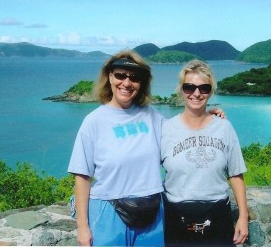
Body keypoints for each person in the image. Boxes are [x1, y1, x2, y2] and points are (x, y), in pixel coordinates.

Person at [67, 50, 165, 246]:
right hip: (108, 211)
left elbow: (179, 136)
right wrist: (82, 226)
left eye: (134, 78)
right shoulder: (94, 121)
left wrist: (204, 117)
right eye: (120, 75)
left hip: (152, 209)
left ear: (141, 83)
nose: (127, 83)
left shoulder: (152, 116)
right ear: (109, 77)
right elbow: (82, 175)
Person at [161, 59, 249, 246]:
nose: (196, 93)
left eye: (204, 88)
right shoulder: (165, 129)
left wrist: (243, 216)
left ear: (211, 91)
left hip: (217, 216)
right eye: (189, 87)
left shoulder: (224, 127)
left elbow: (235, 174)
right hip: (176, 218)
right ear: (181, 89)